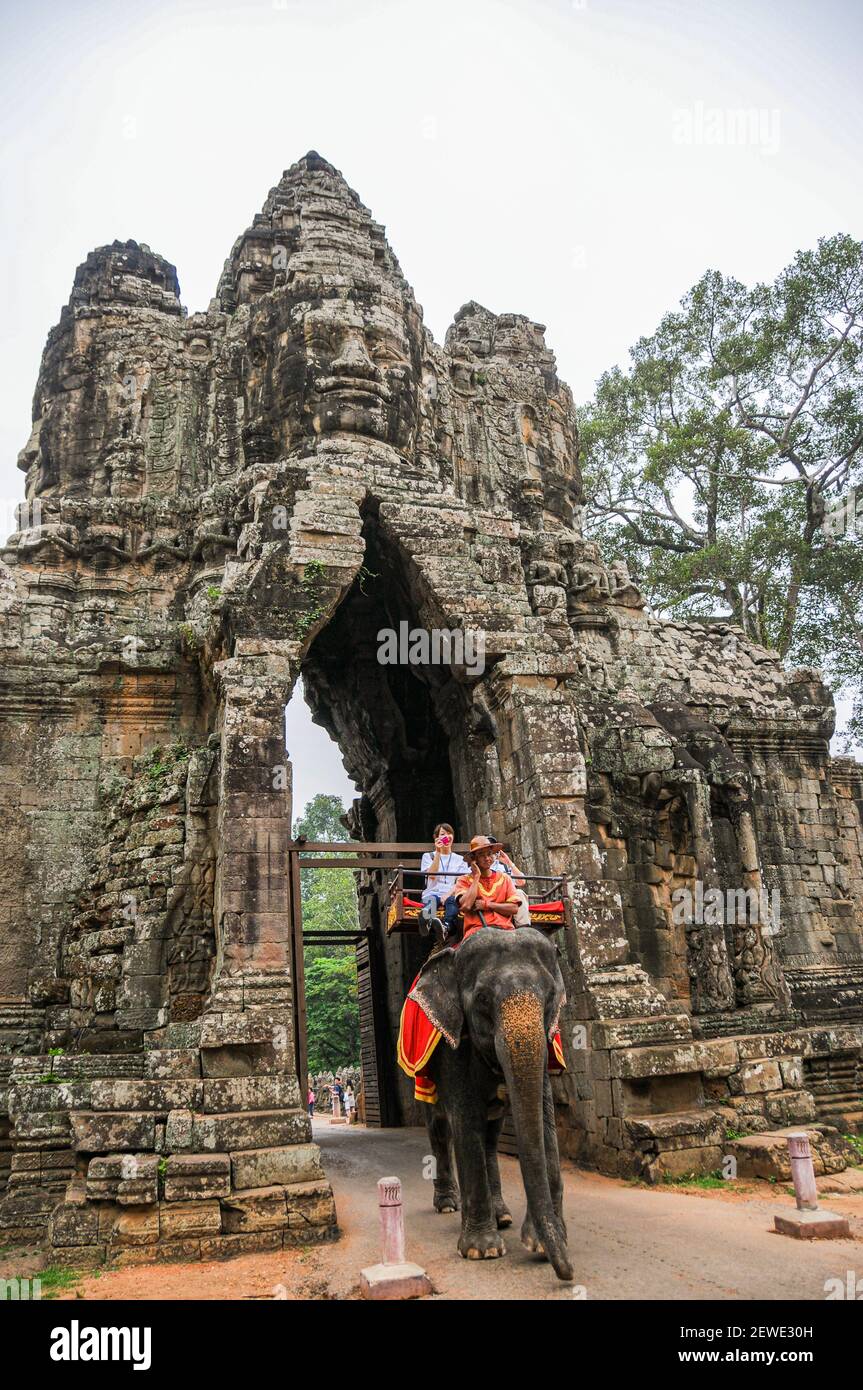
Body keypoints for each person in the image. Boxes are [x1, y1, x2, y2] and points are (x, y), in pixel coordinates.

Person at [451, 835, 520, 940]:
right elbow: (466, 906)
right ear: (474, 859)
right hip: (476, 931)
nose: (487, 858)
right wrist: (476, 877)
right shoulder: (463, 880)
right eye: (481, 855)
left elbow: (514, 908)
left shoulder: (505, 878)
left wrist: (487, 905)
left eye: (489, 854)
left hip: (505, 929)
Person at [419, 823, 468, 937]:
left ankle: (446, 926)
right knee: (433, 900)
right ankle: (425, 919)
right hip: (432, 892)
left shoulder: (461, 860)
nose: (447, 836)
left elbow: (462, 881)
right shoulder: (428, 856)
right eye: (443, 834)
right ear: (436, 838)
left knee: (452, 901)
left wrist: (447, 894)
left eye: (449, 833)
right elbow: (431, 876)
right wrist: (438, 852)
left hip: (451, 893)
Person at [487, 835, 532, 927]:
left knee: (519, 892)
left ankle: (524, 928)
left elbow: (522, 882)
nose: (491, 853)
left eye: (493, 849)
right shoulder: (479, 866)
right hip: (488, 897)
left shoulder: (504, 866)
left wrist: (509, 862)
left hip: (506, 898)